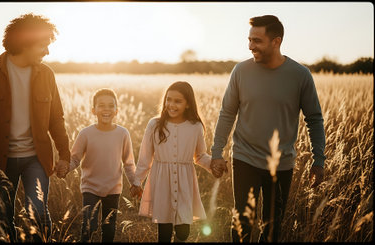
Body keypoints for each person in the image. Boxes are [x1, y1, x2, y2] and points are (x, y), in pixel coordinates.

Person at [209, 15, 326, 242]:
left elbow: (314, 119)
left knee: (272, 229)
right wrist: (217, 152)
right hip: (244, 159)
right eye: (249, 40)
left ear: (276, 41)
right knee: (242, 224)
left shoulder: (300, 75)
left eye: (257, 41)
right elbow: (227, 113)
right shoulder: (241, 71)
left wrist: (318, 159)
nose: (250, 46)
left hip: (281, 164)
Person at [0, 13, 70, 242]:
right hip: (0, 161)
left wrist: (65, 154)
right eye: (43, 46)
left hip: (36, 159)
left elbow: (56, 118)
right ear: (26, 43)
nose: (47, 52)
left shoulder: (46, 74)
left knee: (38, 215)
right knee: (3, 218)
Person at [130, 81, 213, 242]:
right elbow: (145, 157)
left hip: (185, 182)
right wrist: (136, 181)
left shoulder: (195, 126)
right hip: (161, 181)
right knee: (164, 231)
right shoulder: (154, 124)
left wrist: (214, 164)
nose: (171, 104)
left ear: (188, 104)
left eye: (177, 101)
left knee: (183, 232)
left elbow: (200, 156)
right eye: (168, 99)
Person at [56, 88, 137, 242]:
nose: (106, 109)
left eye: (110, 106)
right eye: (101, 105)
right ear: (93, 110)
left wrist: (135, 182)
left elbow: (128, 162)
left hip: (113, 188)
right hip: (90, 187)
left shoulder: (123, 134)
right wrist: (66, 168)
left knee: (109, 227)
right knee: (89, 225)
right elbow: (74, 159)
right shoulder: (85, 134)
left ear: (116, 110)